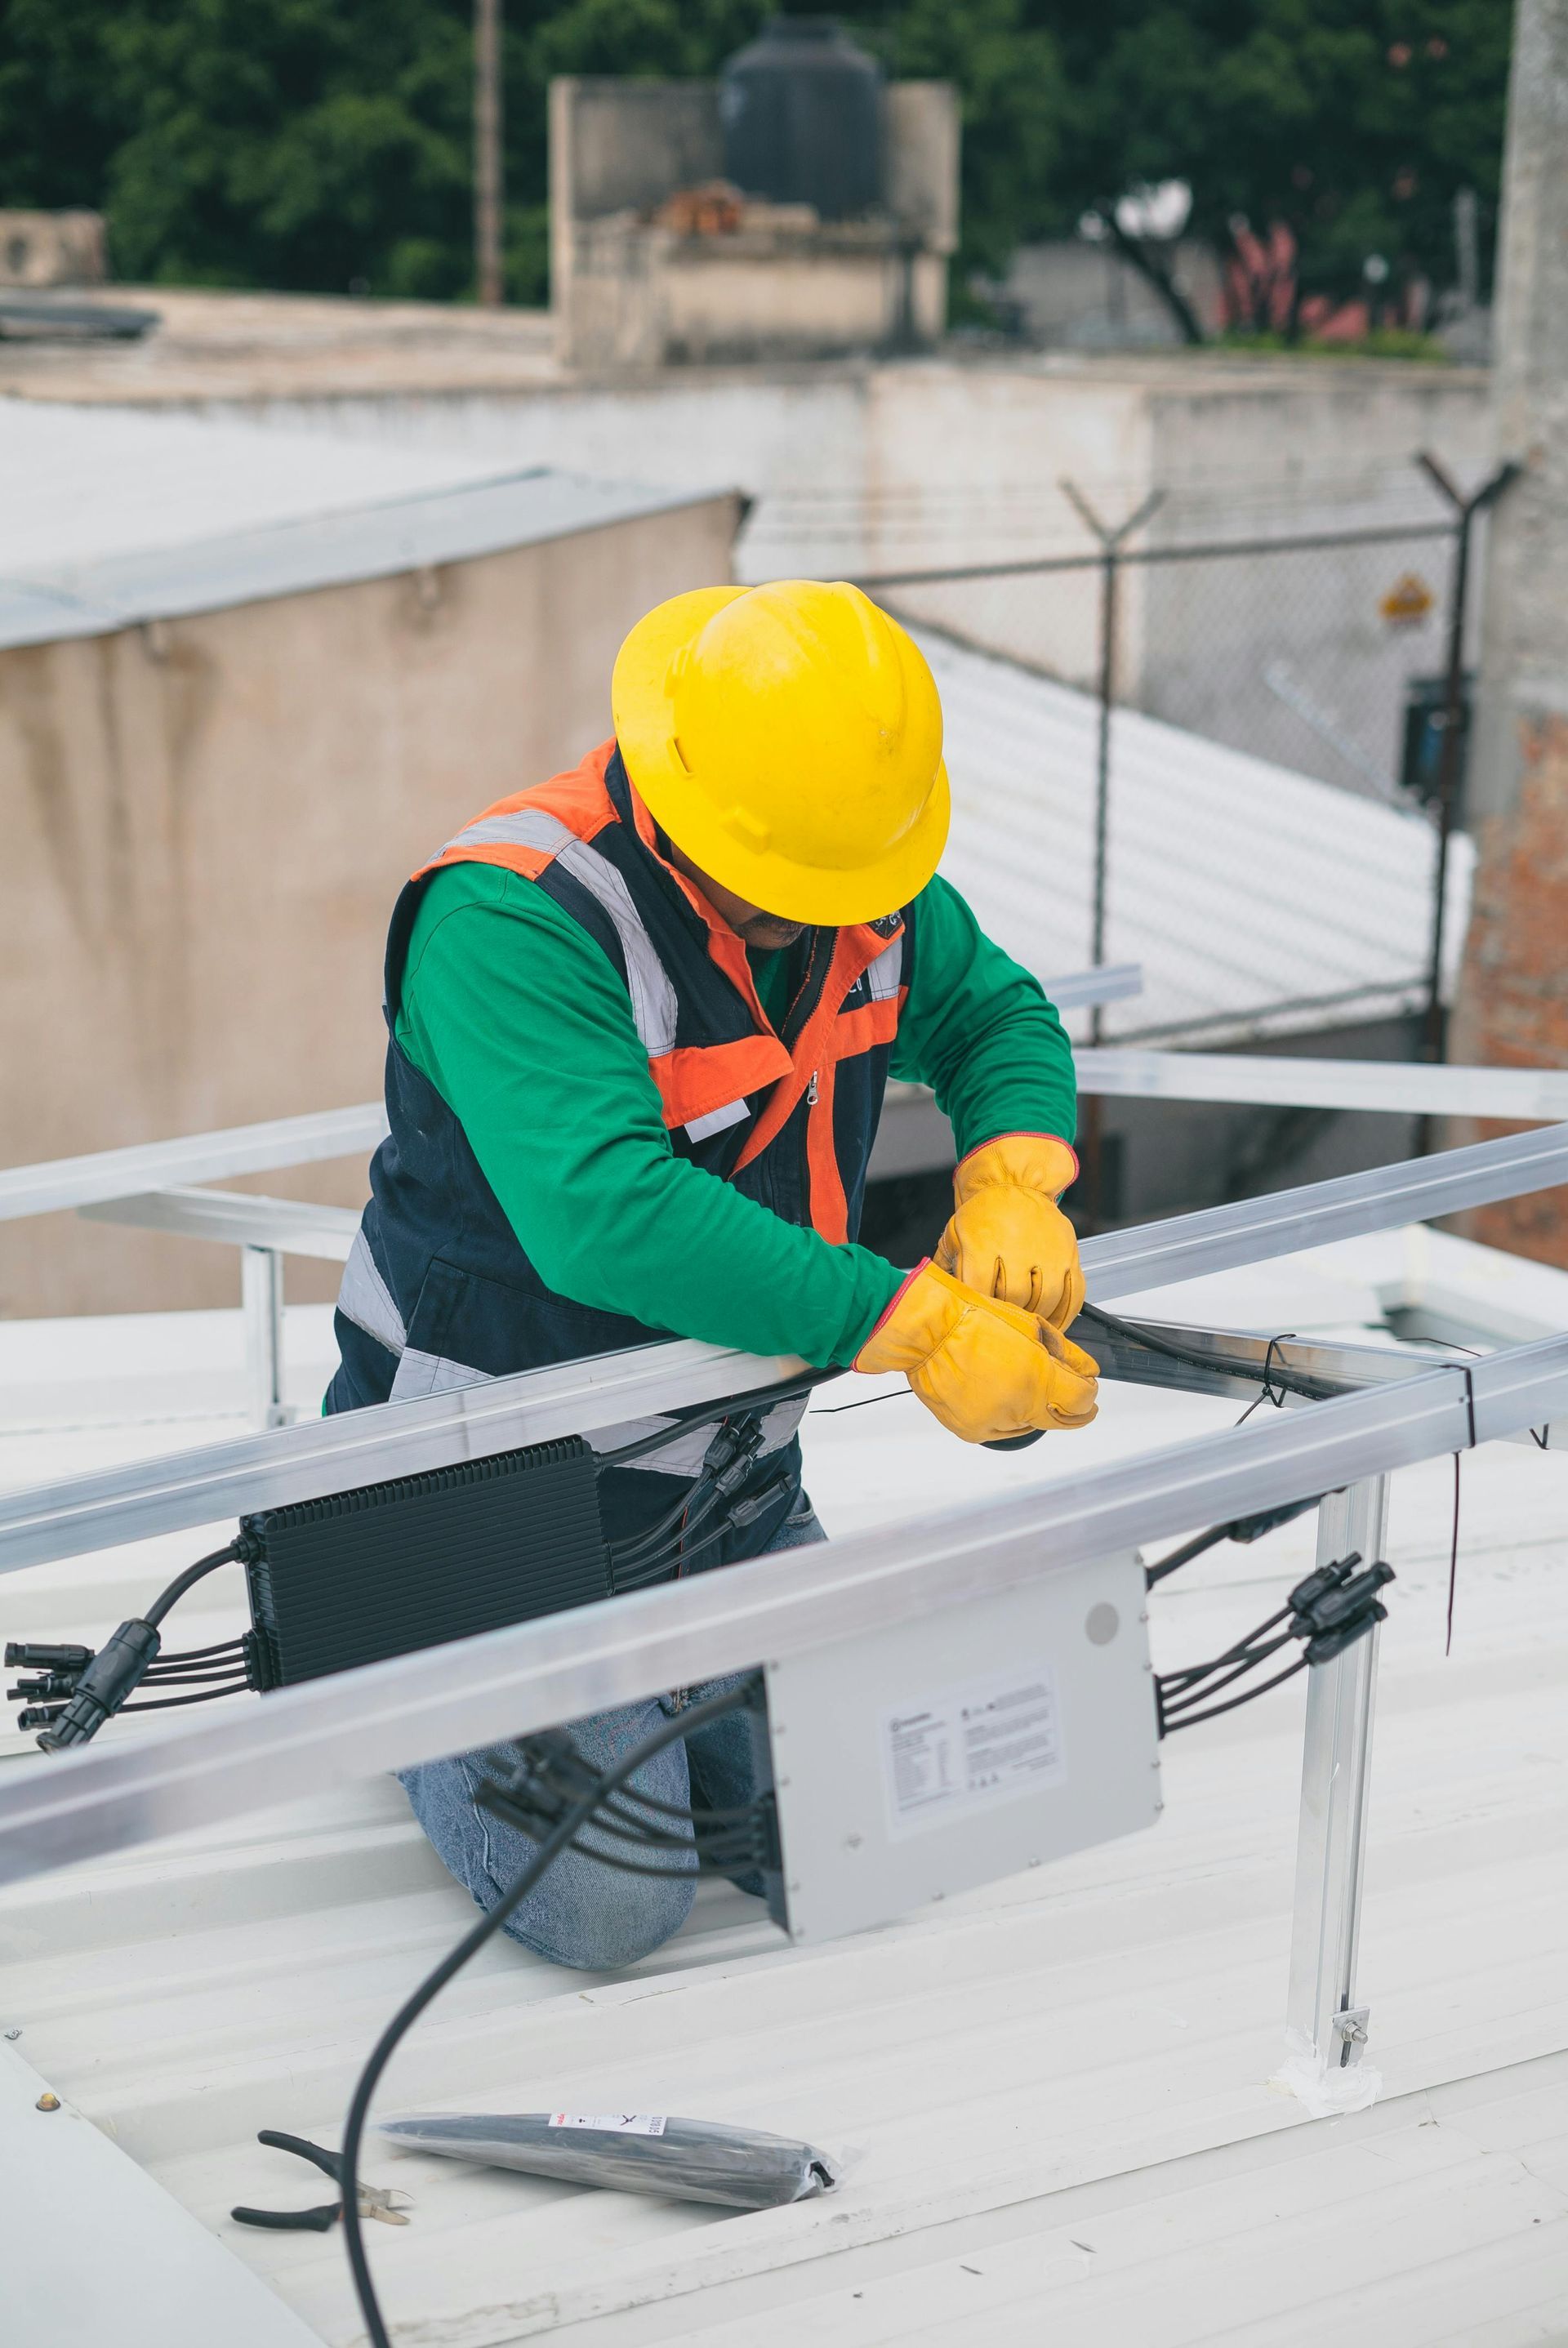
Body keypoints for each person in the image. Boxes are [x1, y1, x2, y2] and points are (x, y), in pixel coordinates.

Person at [327, 579, 1099, 1968]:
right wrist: (916, 1326)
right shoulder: (514, 918)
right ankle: (383, 1649)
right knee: (613, 1907)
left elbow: (994, 1011)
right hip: (485, 1495)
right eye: (799, 894)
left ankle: (656, 1672)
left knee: (866, 1832)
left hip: (724, 1484)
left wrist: (1014, 1172)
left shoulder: (850, 875)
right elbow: (605, 1216)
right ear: (688, 798)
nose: (835, 925)